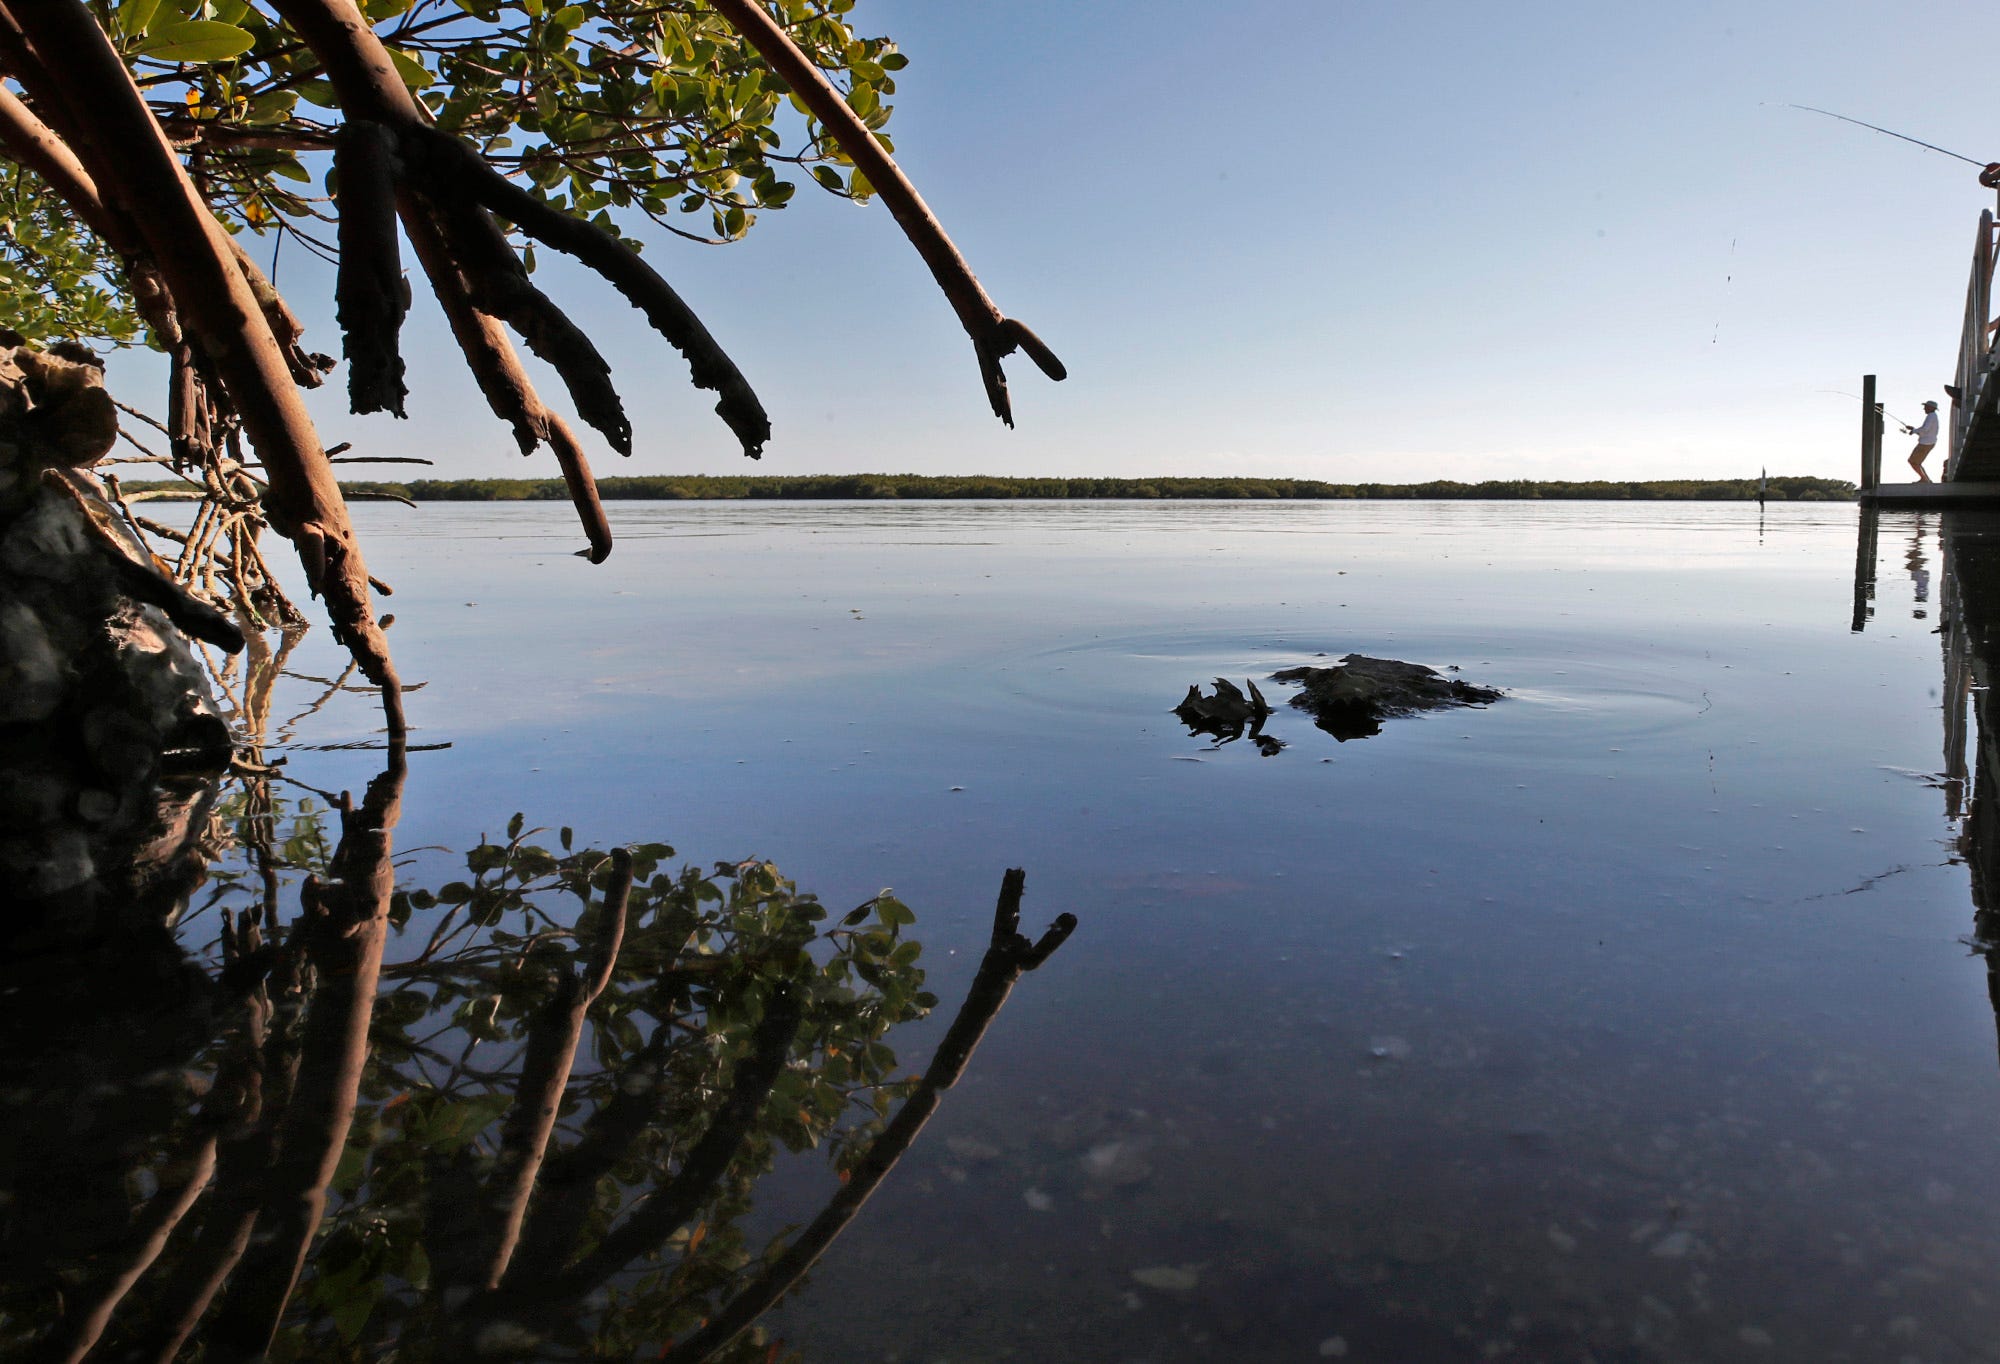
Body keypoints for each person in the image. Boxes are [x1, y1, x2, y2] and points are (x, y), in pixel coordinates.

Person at [1904, 400, 1940, 483]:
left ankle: (1924, 479)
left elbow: (1925, 429)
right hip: (1928, 442)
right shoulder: (1933, 416)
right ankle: (1926, 479)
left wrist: (1914, 431)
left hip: (1925, 443)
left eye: (1926, 406)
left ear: (1931, 408)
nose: (1924, 408)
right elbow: (1926, 432)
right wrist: (1914, 429)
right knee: (1917, 462)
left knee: (1912, 461)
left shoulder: (1931, 416)